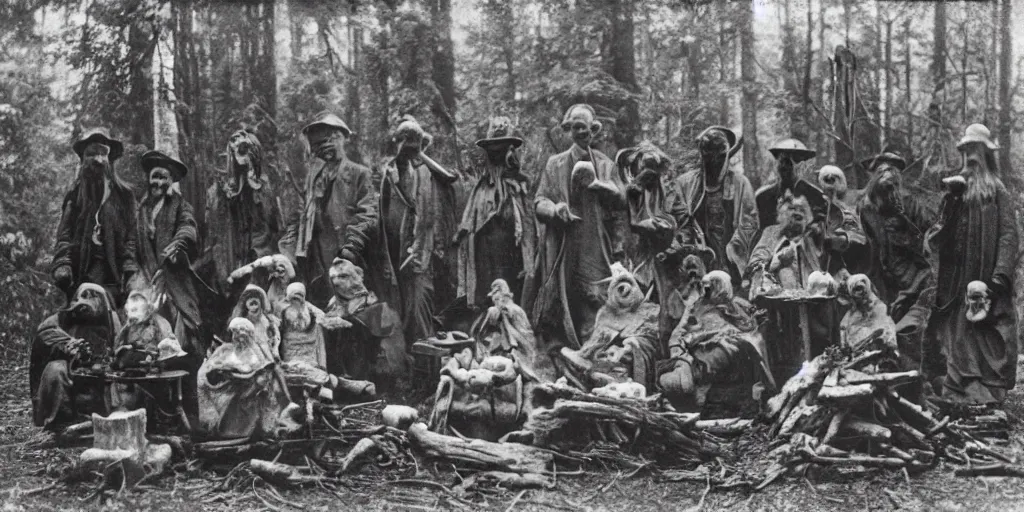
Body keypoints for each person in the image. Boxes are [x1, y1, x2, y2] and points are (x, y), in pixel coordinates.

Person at [925, 124, 1019, 405]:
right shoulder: (955, 189)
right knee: (958, 330)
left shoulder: (997, 191)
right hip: (957, 278)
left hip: (989, 275)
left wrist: (1001, 273)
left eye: (976, 150)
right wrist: (952, 199)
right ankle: (961, 388)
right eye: (967, 151)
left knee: (990, 329)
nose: (971, 157)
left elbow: (1009, 233)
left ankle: (990, 390)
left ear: (986, 153)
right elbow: (938, 232)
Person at [530, 104, 627, 350]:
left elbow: (622, 201)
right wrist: (555, 209)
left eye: (586, 128)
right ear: (568, 130)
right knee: (561, 298)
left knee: (596, 298)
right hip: (563, 244)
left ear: (593, 130)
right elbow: (540, 201)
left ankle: (592, 352)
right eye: (576, 127)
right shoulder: (555, 164)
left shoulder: (606, 165)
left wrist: (605, 188)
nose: (582, 132)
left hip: (594, 243)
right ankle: (559, 354)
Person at [368, 116, 459, 344]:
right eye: (403, 144)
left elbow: (442, 211)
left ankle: (425, 368)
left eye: (413, 146)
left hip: (423, 257)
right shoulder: (387, 176)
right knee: (397, 311)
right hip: (393, 257)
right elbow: (381, 213)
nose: (407, 151)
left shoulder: (430, 175)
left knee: (420, 310)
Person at [280, 112, 377, 307]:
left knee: (352, 308)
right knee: (320, 307)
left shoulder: (359, 174)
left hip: (347, 254)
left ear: (341, 139)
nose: (324, 148)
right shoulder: (313, 179)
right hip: (316, 257)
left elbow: (368, 214)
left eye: (328, 140)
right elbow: (300, 216)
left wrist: (352, 245)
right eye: (318, 145)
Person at [455, 116, 536, 310]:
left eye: (503, 148)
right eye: (494, 150)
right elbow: (471, 227)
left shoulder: (520, 188)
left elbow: (529, 229)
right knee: (487, 298)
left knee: (512, 297)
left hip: (512, 255)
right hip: (486, 256)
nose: (498, 154)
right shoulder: (481, 191)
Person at [132, 150, 208, 353]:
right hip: (146, 278)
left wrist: (176, 245)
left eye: (163, 177)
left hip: (174, 277)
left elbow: (188, 227)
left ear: (171, 180)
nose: (158, 182)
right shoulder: (141, 210)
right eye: (155, 176)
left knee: (187, 325)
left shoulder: (181, 206)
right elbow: (132, 244)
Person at [51, 129, 137, 305]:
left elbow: (132, 235)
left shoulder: (124, 195)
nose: (98, 160)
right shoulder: (74, 195)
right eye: (92, 153)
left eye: (103, 153)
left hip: (113, 271)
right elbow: (64, 234)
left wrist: (130, 269)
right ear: (83, 159)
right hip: (81, 269)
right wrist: (63, 263)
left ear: (110, 159)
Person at [616, 141, 688, 351]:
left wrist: (673, 238)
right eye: (644, 167)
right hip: (635, 260)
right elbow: (620, 226)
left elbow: (684, 221)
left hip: (666, 261)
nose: (649, 174)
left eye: (653, 168)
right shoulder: (627, 192)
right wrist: (639, 226)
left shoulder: (670, 192)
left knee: (669, 311)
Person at [201, 129, 283, 299]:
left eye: (245, 149)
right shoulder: (221, 190)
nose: (240, 155)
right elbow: (216, 229)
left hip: (260, 257)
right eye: (235, 150)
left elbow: (274, 225)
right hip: (231, 256)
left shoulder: (269, 185)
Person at [674, 126, 759, 288]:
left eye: (719, 155)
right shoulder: (685, 183)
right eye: (708, 154)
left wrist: (733, 249)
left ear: (726, 155)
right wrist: (691, 244)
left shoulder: (740, 183)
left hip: (731, 255)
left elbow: (750, 223)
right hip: (697, 254)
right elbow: (679, 220)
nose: (714, 161)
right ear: (702, 155)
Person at [29, 284, 121, 429]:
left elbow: (118, 347)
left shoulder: (111, 320)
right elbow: (46, 334)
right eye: (84, 296)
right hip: (69, 369)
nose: (88, 301)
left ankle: (102, 418)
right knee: (55, 369)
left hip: (100, 371)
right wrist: (69, 346)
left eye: (94, 296)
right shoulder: (60, 319)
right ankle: (60, 422)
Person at [324, 258, 405, 387]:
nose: (336, 282)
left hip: (368, 347)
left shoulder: (366, 298)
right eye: (333, 277)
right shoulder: (334, 301)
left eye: (343, 276)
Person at [754, 138, 824, 236]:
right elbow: (756, 232)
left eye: (796, 159)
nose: (788, 166)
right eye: (783, 161)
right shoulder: (762, 197)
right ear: (777, 165)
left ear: (805, 166)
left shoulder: (816, 196)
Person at [814, 164, 867, 276]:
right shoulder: (815, 206)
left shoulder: (847, 209)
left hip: (842, 260)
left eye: (834, 178)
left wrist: (846, 238)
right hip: (816, 258)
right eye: (826, 178)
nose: (830, 180)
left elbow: (860, 235)